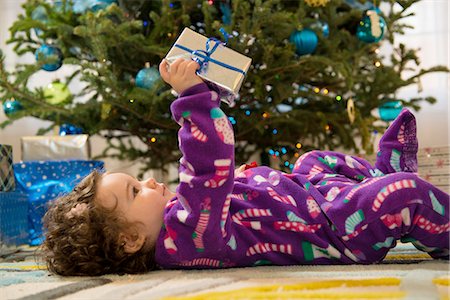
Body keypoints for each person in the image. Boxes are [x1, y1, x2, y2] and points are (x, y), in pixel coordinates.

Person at [42, 58, 449, 276]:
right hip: (339, 230)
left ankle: (384, 175)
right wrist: (193, 101)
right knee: (404, 196)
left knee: (314, 160)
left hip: (311, 197)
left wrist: (211, 92)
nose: (148, 181)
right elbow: (206, 171)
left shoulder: (176, 220)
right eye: (135, 190)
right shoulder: (186, 238)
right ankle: (421, 211)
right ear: (130, 239)